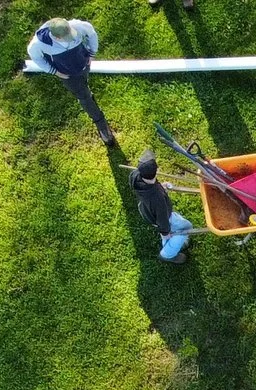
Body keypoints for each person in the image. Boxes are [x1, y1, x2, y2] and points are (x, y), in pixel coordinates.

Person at [27, 18, 113, 146]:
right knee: (84, 96)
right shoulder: (38, 44)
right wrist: (54, 71)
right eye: (67, 37)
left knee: (85, 88)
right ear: (56, 37)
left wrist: (92, 53)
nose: (72, 38)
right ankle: (101, 124)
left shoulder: (77, 27)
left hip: (84, 65)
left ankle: (87, 93)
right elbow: (36, 57)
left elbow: (91, 33)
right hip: (68, 76)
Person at [130, 151, 196, 263]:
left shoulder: (135, 176)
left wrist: (161, 186)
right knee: (186, 228)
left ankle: (171, 242)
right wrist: (165, 233)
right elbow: (162, 219)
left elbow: (152, 185)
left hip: (146, 210)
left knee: (178, 228)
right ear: (156, 172)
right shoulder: (158, 199)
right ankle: (168, 254)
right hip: (162, 218)